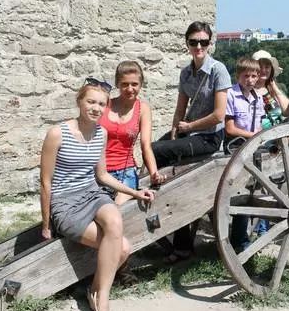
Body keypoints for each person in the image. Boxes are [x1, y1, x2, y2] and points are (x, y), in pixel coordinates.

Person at [40, 78, 155, 311]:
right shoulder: (57, 134)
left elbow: (102, 176)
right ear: (79, 102)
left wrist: (134, 193)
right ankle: (96, 290)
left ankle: (100, 294)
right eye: (91, 101)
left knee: (115, 221)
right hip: (65, 204)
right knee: (122, 249)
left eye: (101, 104)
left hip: (92, 194)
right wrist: (47, 224)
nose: (95, 108)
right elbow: (46, 183)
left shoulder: (100, 133)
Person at [151, 21, 232, 263]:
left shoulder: (218, 70)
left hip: (209, 137)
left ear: (210, 43)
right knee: (150, 150)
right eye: (194, 42)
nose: (199, 46)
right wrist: (176, 132)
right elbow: (180, 109)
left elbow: (219, 115)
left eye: (203, 42)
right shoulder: (186, 73)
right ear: (187, 44)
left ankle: (177, 238)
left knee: (157, 150)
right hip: (188, 133)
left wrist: (190, 127)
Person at [98, 61, 164, 205]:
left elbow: (146, 145)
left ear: (140, 84)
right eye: (124, 84)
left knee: (116, 209)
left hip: (125, 172)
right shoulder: (104, 105)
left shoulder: (143, 109)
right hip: (100, 171)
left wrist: (154, 173)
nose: (130, 89)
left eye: (134, 84)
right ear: (117, 84)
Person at [250, 49, 289, 235]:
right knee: (255, 188)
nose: (265, 70)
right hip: (254, 142)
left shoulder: (273, 91)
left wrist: (274, 89)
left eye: (268, 66)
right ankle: (256, 228)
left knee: (272, 189)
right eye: (261, 66)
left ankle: (265, 229)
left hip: (274, 144)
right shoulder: (247, 89)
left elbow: (288, 111)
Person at [223, 57, 264, 249]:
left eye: (253, 76)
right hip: (233, 148)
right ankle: (237, 238)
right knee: (239, 192)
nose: (250, 79)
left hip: (252, 150)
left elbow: (260, 124)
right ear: (238, 76)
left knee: (248, 192)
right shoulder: (231, 94)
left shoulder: (258, 98)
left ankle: (242, 236)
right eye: (246, 75)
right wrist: (252, 135)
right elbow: (230, 128)